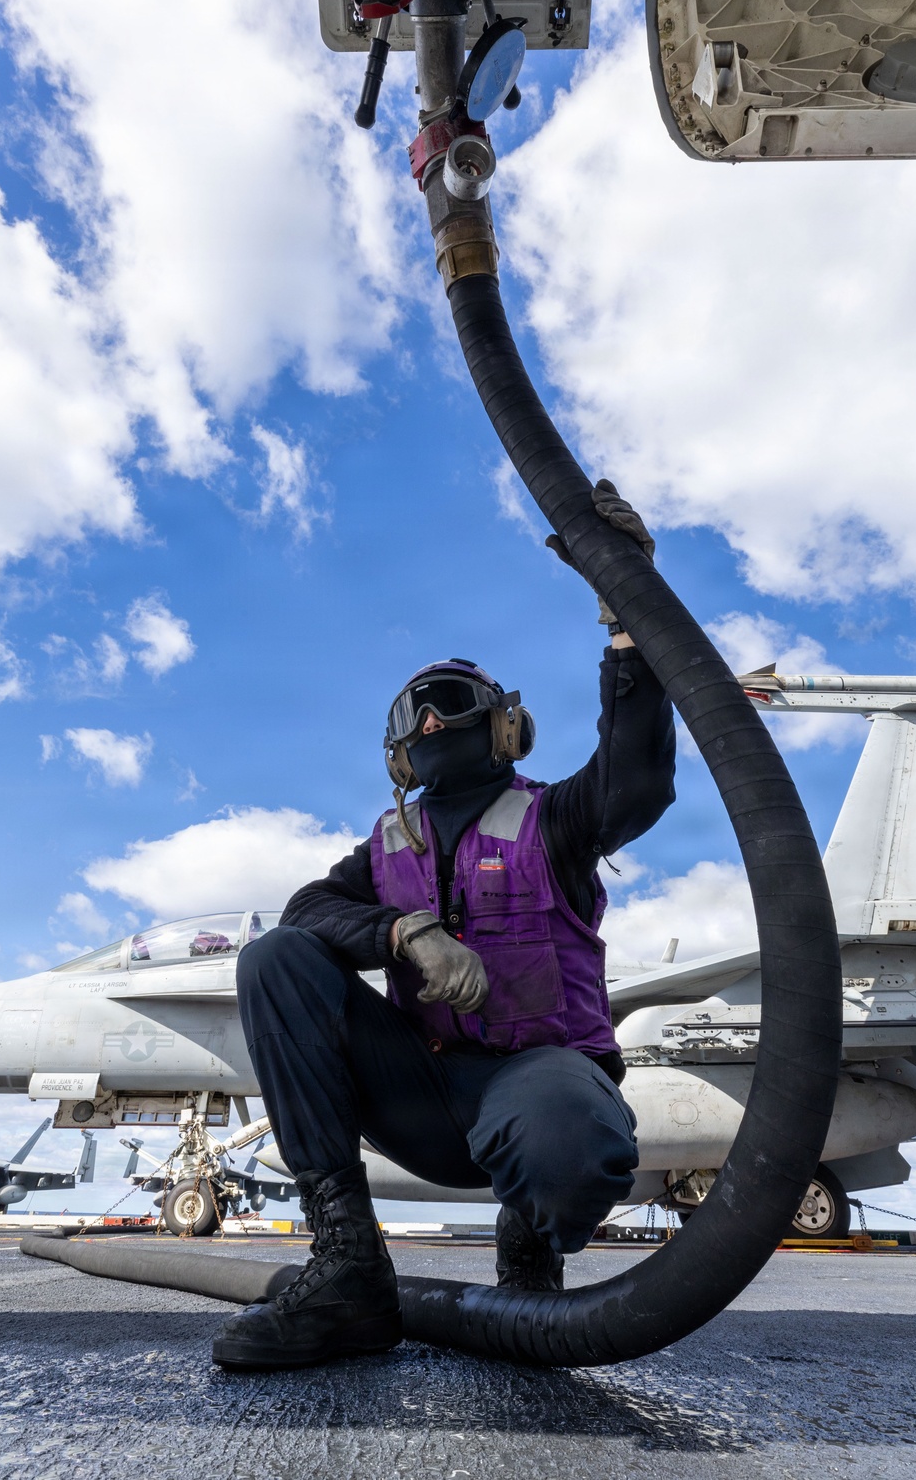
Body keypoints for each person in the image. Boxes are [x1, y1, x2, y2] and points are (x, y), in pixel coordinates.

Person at [214, 483, 676, 1371]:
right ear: (399, 751)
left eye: (452, 700)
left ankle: (531, 1240)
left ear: (504, 724)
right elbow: (310, 912)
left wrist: (630, 616)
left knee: (570, 1144)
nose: (431, 719)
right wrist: (406, 935)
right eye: (415, 711)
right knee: (276, 957)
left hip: (537, 1089)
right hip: (420, 1096)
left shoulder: (557, 819)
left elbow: (637, 781)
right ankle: (348, 1268)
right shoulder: (388, 845)